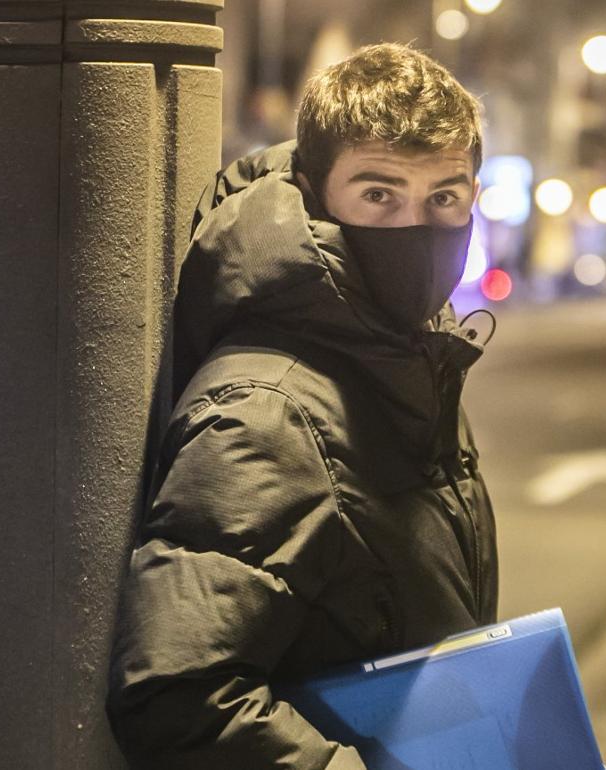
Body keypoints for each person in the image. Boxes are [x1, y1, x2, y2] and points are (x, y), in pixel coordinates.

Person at [106, 43, 498, 769]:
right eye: (379, 194)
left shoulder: (406, 360)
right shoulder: (265, 412)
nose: (418, 225)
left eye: (444, 198)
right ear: (316, 194)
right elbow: (177, 694)